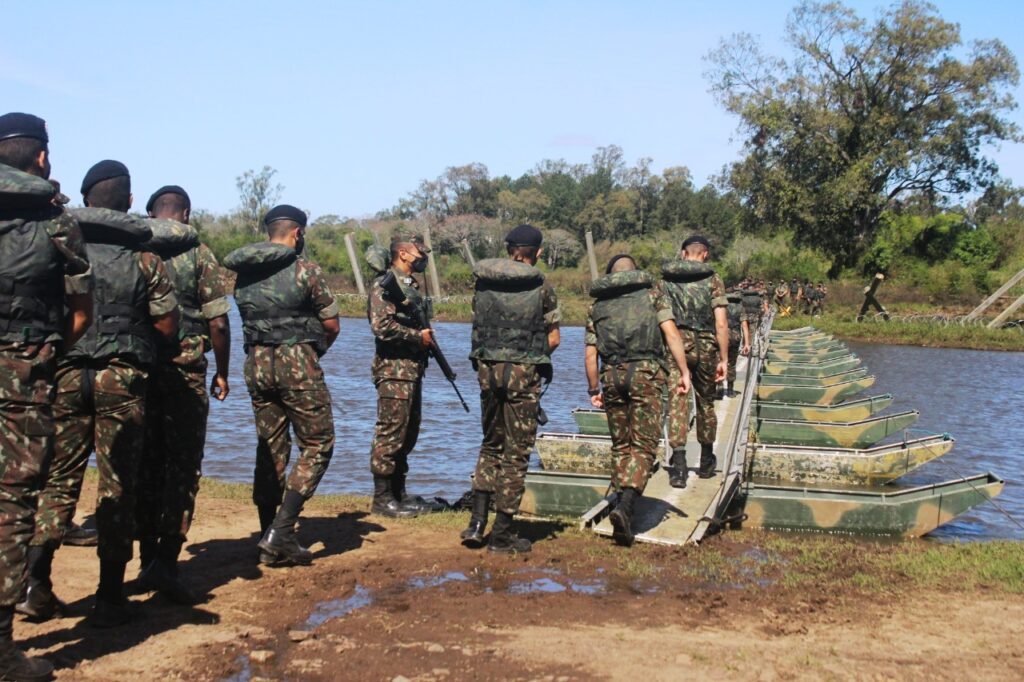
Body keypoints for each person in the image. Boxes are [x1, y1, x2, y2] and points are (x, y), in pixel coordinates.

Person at [27, 160, 180, 628]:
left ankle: (36, 585)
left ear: (86, 198)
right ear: (130, 202)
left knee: (58, 480)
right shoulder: (146, 259)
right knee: (118, 485)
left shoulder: (60, 249)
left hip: (68, 377)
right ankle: (110, 596)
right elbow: (168, 325)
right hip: (122, 378)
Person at [0, 112, 92, 679]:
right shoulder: (57, 224)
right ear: (41, 158)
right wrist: (42, 351)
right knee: (13, 503)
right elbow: (80, 313)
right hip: (26, 374)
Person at [224, 205, 339, 567]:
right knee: (319, 443)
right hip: (297, 364)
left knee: (269, 446)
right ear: (297, 234)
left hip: (256, 365)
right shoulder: (306, 270)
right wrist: (312, 351)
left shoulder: (244, 276)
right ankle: (281, 531)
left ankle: (266, 533)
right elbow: (332, 324)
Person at [135, 185, 231, 604]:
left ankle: (144, 560)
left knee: (144, 461)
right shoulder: (199, 254)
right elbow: (220, 323)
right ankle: (167, 564)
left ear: (151, 213)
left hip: (137, 368)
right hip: (187, 368)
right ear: (186, 214)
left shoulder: (134, 247)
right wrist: (224, 372)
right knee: (182, 465)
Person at [460, 224, 560, 553]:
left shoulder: (483, 283)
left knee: (490, 444)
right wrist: (529, 357)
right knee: (516, 455)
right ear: (538, 253)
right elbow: (554, 338)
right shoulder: (542, 286)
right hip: (523, 376)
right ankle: (502, 535)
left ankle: (476, 525)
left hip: (488, 373)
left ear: (509, 249)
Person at [584, 255, 691, 546]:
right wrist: (683, 371)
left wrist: (594, 388)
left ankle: (620, 498)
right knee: (644, 444)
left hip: (612, 376)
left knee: (621, 443)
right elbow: (671, 333)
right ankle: (627, 505)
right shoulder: (653, 295)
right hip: (646, 374)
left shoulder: (597, 306)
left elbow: (591, 354)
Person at [367, 229, 437, 518]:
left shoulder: (410, 283)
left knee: (408, 434)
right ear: (403, 253)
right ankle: (382, 499)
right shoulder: (384, 284)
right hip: (394, 370)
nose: (423, 258)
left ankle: (399, 492)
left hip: (412, 369)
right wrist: (416, 338)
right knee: (390, 433)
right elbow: (381, 327)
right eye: (419, 253)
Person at [660, 235, 729, 488]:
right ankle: (707, 460)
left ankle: (678, 466)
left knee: (678, 401)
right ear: (705, 254)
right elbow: (721, 322)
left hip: (676, 345)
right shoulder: (713, 279)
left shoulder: (665, 280)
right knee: (705, 402)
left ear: (682, 253)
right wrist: (724, 358)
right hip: (707, 346)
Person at [724, 290, 751, 397]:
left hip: (722, 337)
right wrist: (747, 344)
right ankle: (730, 390)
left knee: (718, 361)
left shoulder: (722, 307)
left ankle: (718, 388)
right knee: (731, 363)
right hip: (735, 338)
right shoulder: (741, 308)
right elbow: (744, 326)